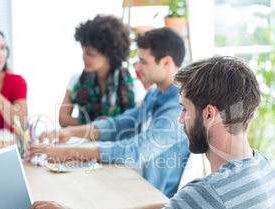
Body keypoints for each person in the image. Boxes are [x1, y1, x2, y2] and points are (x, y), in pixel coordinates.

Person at [9, 56, 275, 209]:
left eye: (184, 110)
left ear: (209, 114)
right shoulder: (262, 167)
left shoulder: (214, 194)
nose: (179, 120)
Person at [28, 27, 190, 198]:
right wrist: (70, 131)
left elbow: (137, 149)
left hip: (150, 195)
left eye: (144, 62)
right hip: (131, 178)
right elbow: (120, 123)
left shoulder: (180, 107)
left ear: (166, 62)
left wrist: (67, 152)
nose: (138, 67)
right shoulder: (155, 93)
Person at [59, 15, 144, 127]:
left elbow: (136, 124)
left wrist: (91, 125)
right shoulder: (76, 80)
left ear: (109, 55)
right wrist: (106, 124)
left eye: (90, 54)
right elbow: (63, 120)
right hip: (82, 143)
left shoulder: (133, 86)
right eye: (83, 51)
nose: (83, 57)